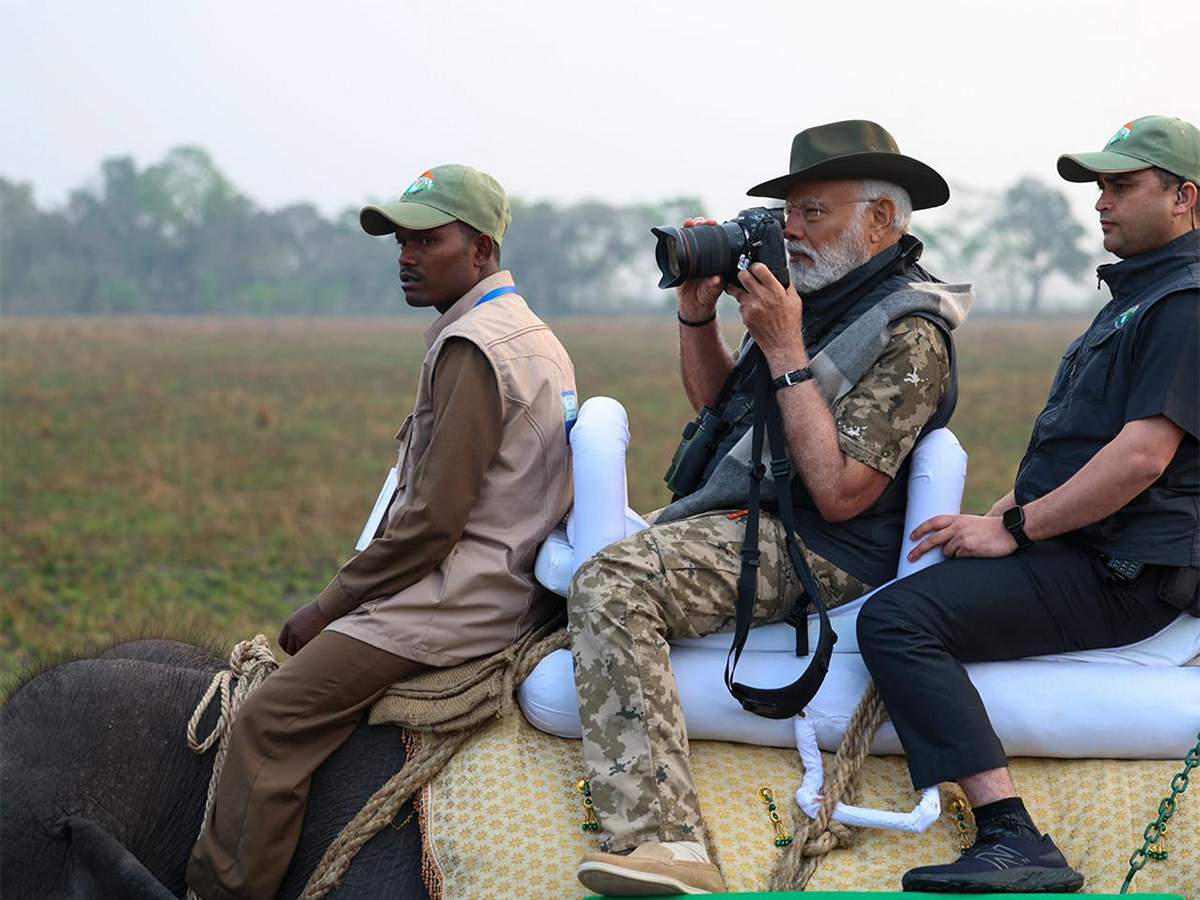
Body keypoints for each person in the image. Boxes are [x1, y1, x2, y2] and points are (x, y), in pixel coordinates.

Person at [569, 120, 972, 896]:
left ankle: (668, 847)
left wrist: (786, 351)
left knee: (612, 583)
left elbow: (843, 492)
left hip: (822, 544)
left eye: (811, 211)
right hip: (751, 517)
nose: (790, 228)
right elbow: (723, 410)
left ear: (880, 219)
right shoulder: (812, 298)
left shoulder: (910, 331)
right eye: (788, 210)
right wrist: (697, 314)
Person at [187, 164, 577, 900]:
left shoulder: (474, 346)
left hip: (455, 599)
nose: (406, 256)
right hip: (499, 583)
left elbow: (431, 525)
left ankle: (223, 892)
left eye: (427, 240)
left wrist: (329, 605)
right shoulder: (528, 334)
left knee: (271, 718)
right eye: (401, 241)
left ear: (482, 250)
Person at [857, 114, 1200, 894]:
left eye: (1122, 185)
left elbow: (1142, 457)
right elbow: (1079, 448)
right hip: (1087, 546)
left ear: (1183, 197)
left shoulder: (1185, 303)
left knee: (898, 620)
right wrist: (991, 518)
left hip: (1128, 570)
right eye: (1099, 187)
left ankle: (1011, 836)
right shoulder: (1138, 298)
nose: (1101, 202)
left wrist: (1015, 528)